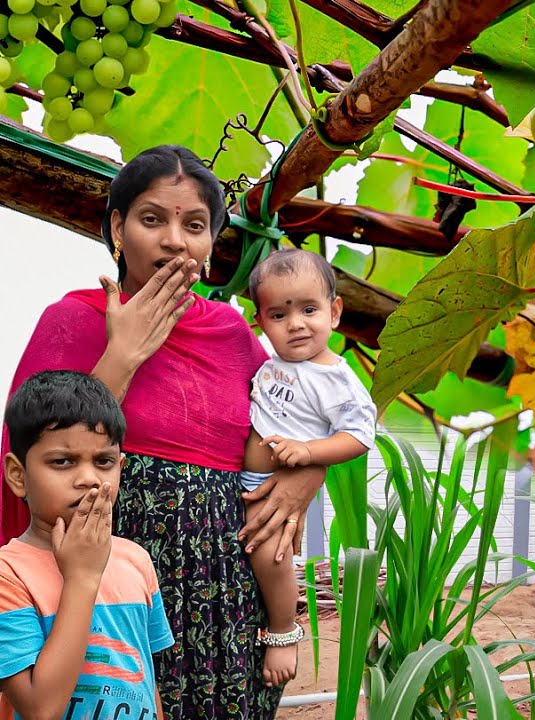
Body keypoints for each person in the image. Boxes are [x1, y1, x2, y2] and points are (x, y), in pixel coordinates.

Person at [0, 145, 327, 719]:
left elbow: (306, 410)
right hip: (104, 575)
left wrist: (306, 479)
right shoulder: (73, 319)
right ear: (118, 228)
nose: (175, 241)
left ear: (210, 243)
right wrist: (122, 354)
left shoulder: (228, 329)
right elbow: (24, 457)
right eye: (153, 220)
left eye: (194, 226)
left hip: (223, 586)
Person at [0, 371, 173, 720]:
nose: (89, 479)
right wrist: (82, 577)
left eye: (103, 462)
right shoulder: (8, 574)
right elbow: (39, 709)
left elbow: (145, 679)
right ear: (19, 476)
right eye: (62, 462)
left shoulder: (135, 560)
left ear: (121, 468)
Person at [240, 249, 376, 688]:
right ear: (261, 322)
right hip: (237, 482)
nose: (296, 323)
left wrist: (311, 452)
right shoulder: (274, 363)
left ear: (335, 313)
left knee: (272, 555)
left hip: (269, 484)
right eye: (279, 314)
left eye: (309, 309)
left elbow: (359, 436)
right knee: (250, 556)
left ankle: (283, 629)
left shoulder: (337, 379)